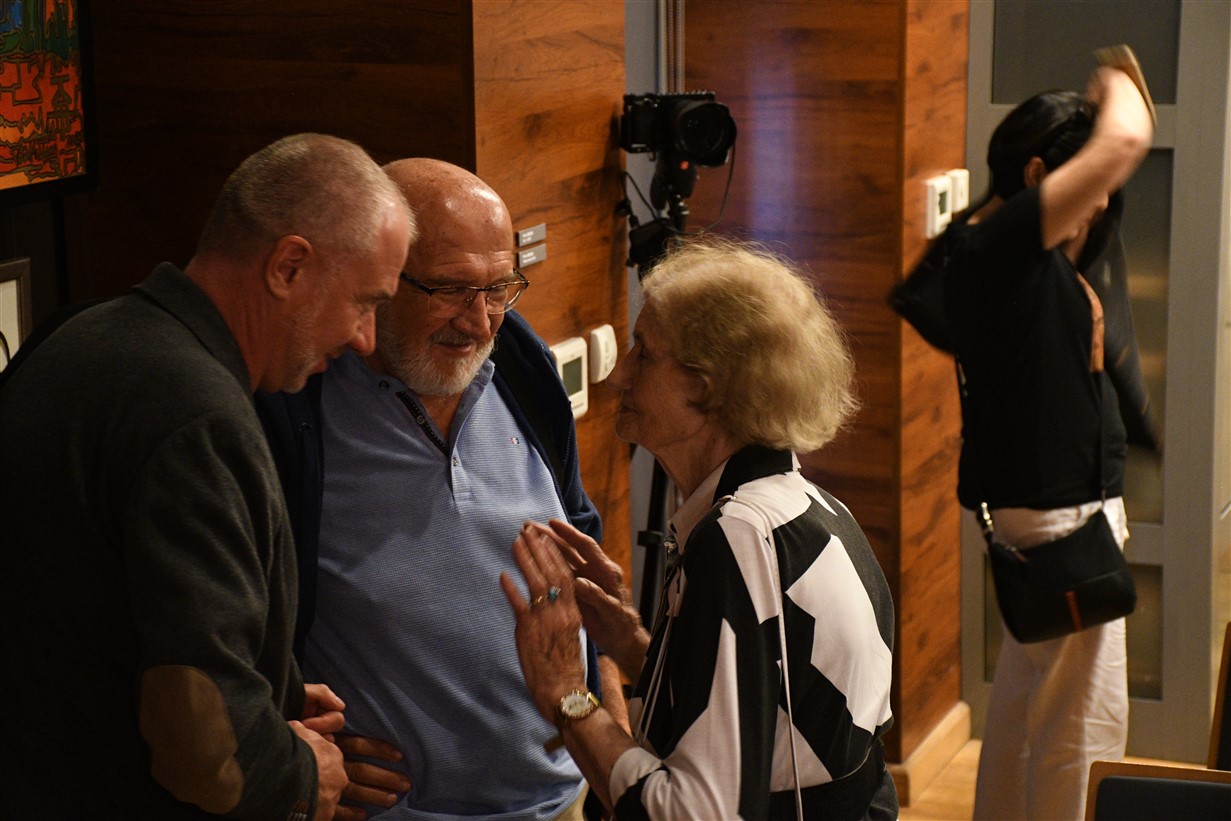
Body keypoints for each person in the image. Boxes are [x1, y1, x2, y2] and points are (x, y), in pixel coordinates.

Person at [0, 133, 415, 819]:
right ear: (288, 266)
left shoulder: (75, 334)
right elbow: (206, 745)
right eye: (365, 302)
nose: (365, 339)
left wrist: (268, 690)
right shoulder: (197, 417)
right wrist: (300, 774)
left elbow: (98, 628)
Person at [256, 158, 619, 820]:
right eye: (451, 290)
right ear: (380, 276)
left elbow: (587, 582)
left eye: (498, 289)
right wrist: (298, 757)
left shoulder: (521, 365)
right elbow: (234, 628)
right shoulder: (294, 405)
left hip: (563, 799)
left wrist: (613, 757)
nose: (479, 323)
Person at [500, 237, 898, 819]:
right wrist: (634, 644)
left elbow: (695, 810)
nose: (619, 376)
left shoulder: (737, 538)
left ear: (706, 386)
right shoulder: (810, 509)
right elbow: (764, 711)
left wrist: (566, 694)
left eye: (643, 353)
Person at [938, 65, 1154, 820]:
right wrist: (1114, 81)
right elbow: (1126, 136)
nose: (1100, 201)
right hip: (1063, 520)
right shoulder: (1005, 250)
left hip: (1046, 513)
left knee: (1026, 708)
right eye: (1091, 185)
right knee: (1079, 728)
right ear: (1037, 176)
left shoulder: (1002, 253)